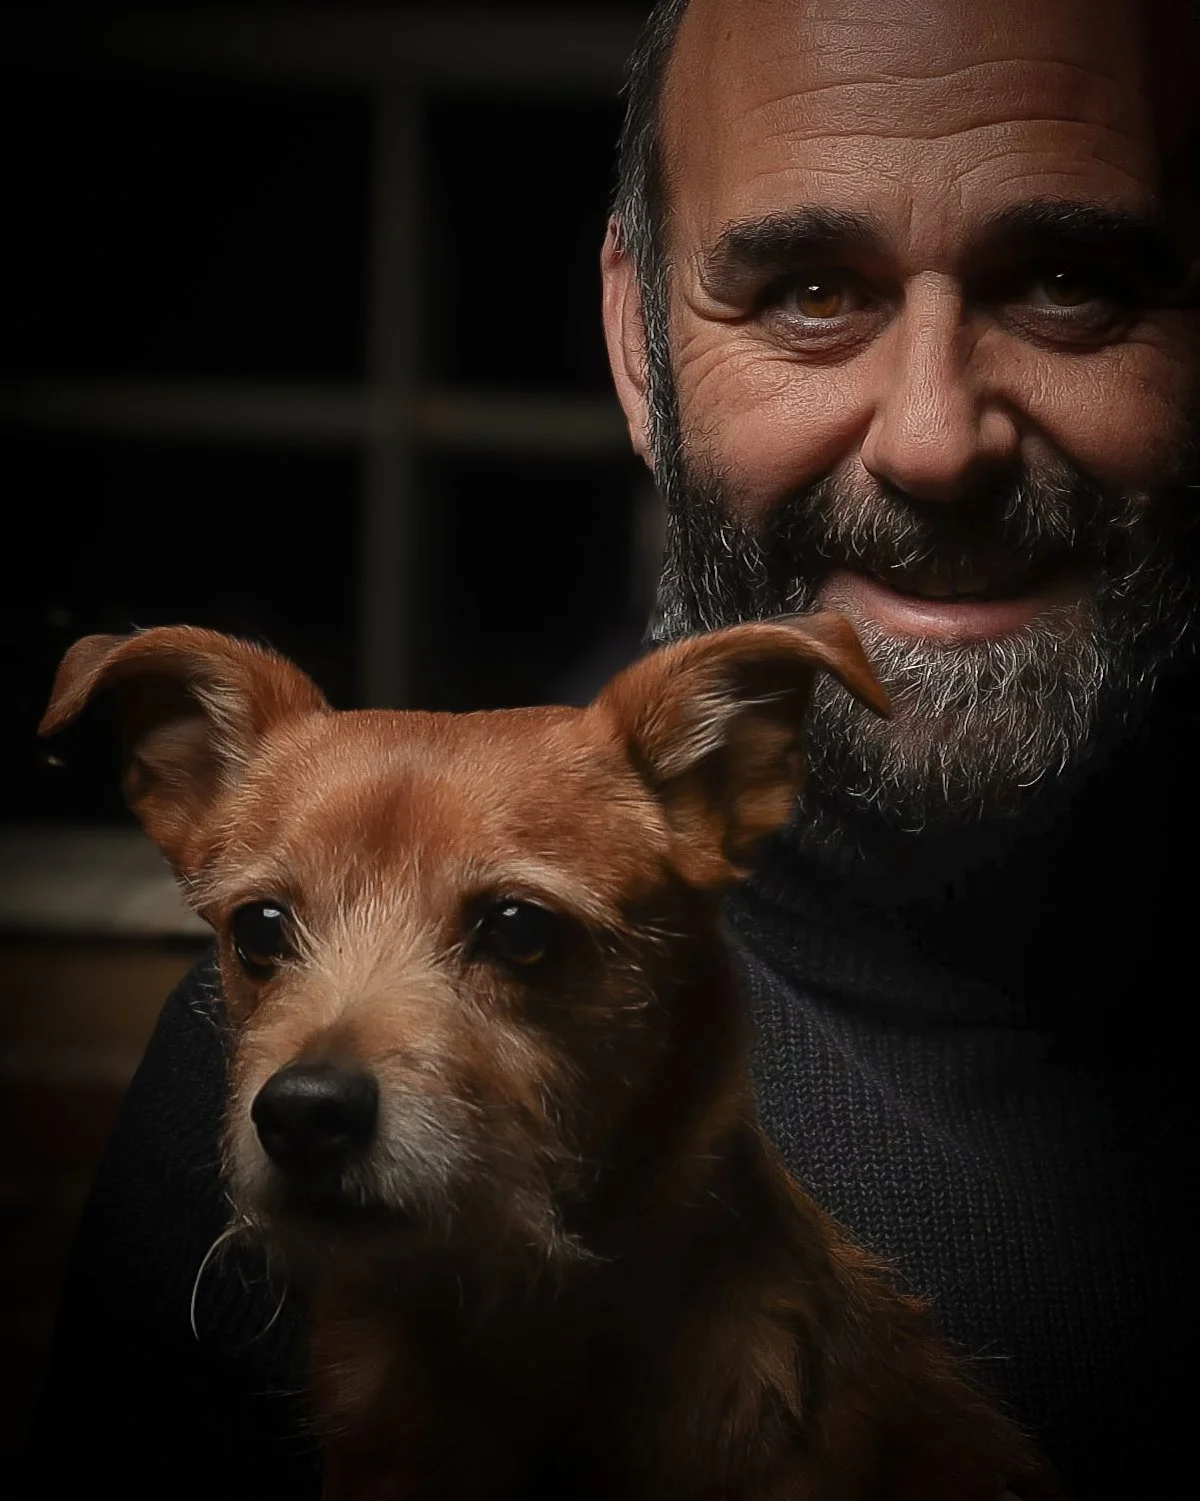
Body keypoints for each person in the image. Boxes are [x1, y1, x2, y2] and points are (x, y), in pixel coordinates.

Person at [26, 1, 1200, 1496]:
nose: (931, 439)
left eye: (1069, 282)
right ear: (640, 348)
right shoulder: (260, 1104)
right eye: (809, 291)